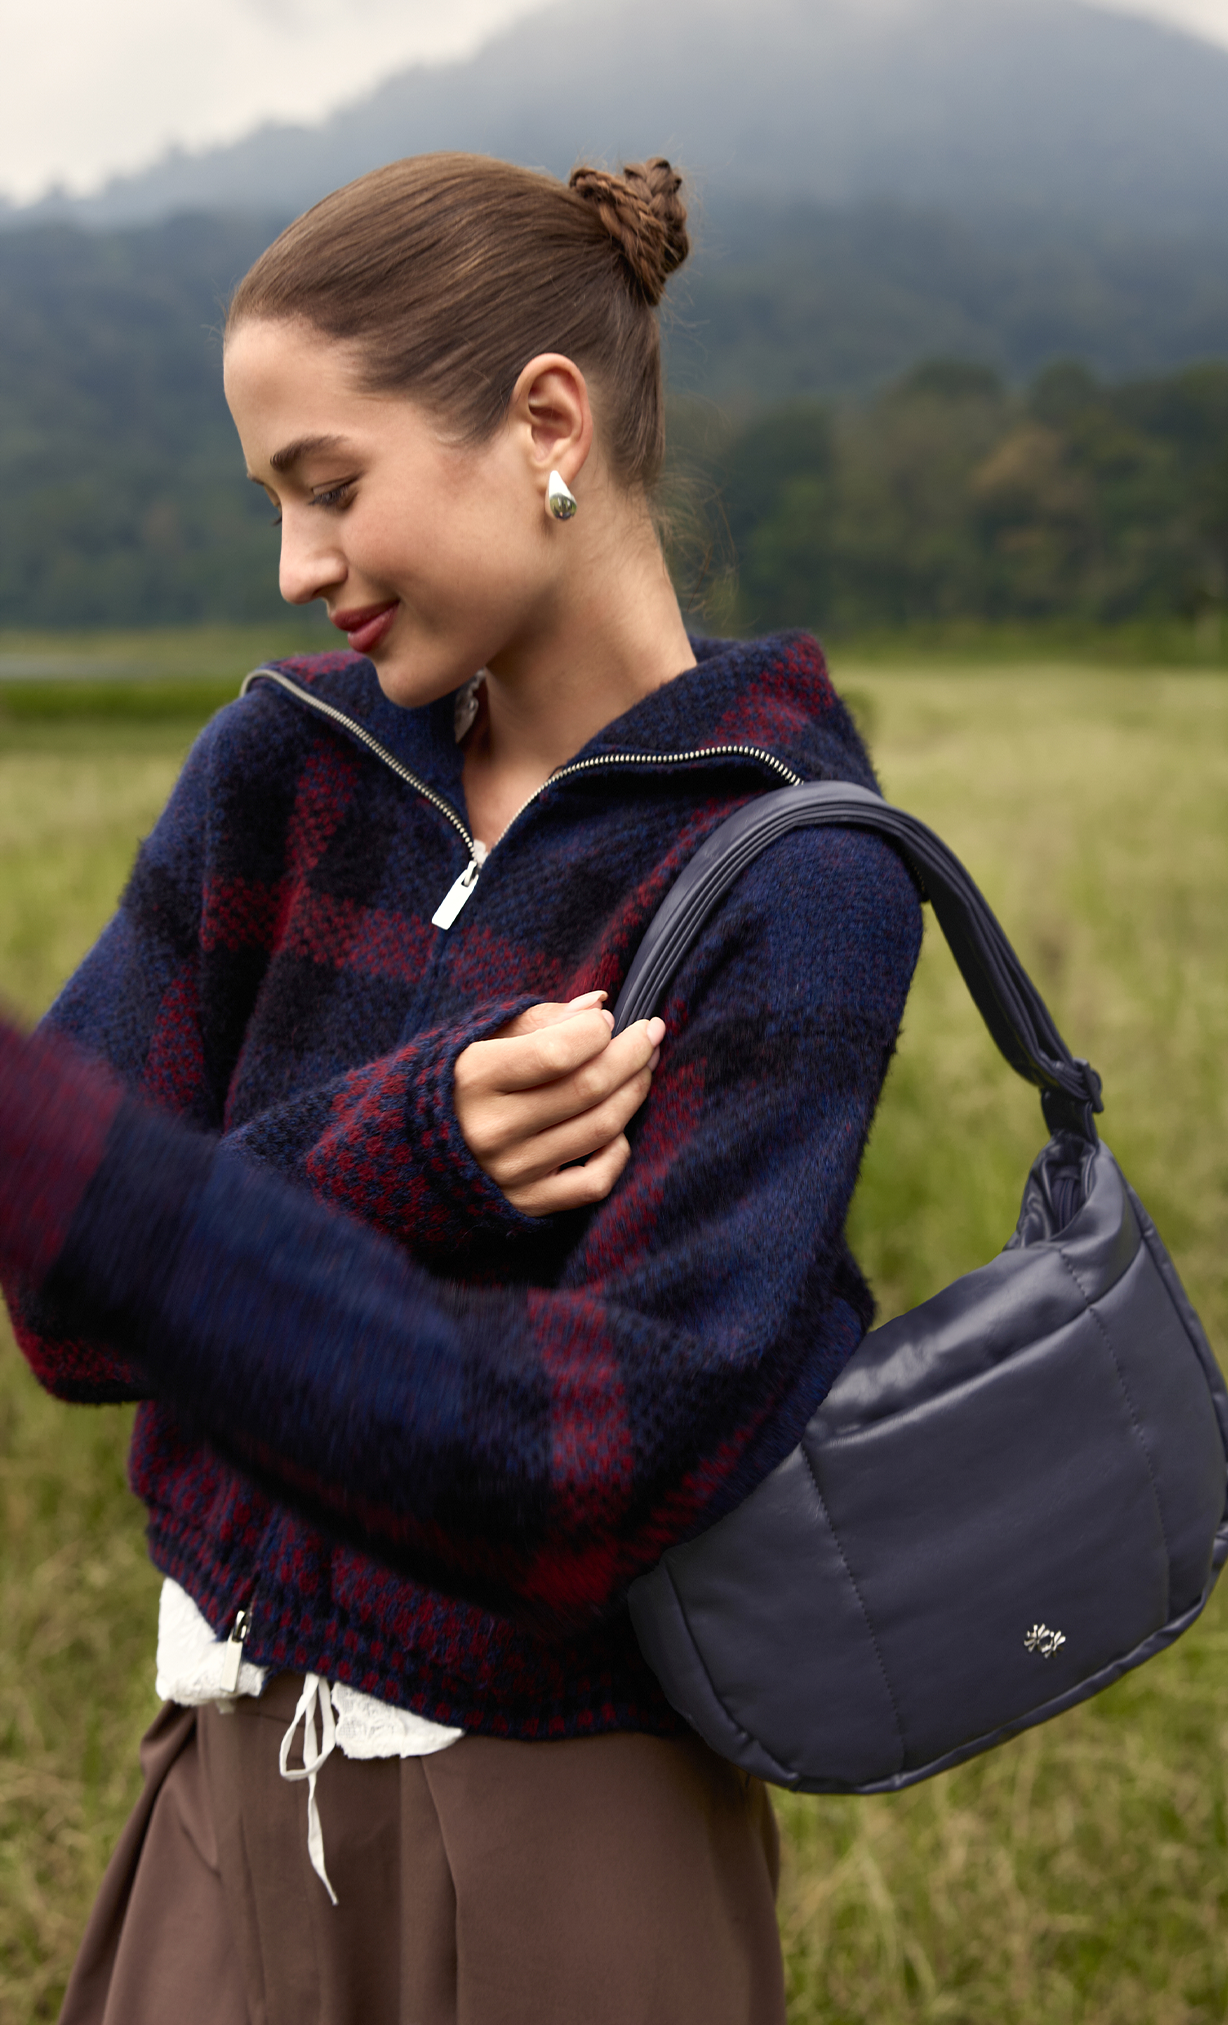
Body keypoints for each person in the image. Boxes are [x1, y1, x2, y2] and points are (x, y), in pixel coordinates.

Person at [0, 153, 922, 2024]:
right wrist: (391, 1154)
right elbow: (67, 1310)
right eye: (275, 501)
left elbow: (582, 1467)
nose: (296, 564)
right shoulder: (281, 767)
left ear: (546, 424)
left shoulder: (797, 872)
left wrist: (101, 1173)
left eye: (331, 487)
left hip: (568, 1828)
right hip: (220, 1786)